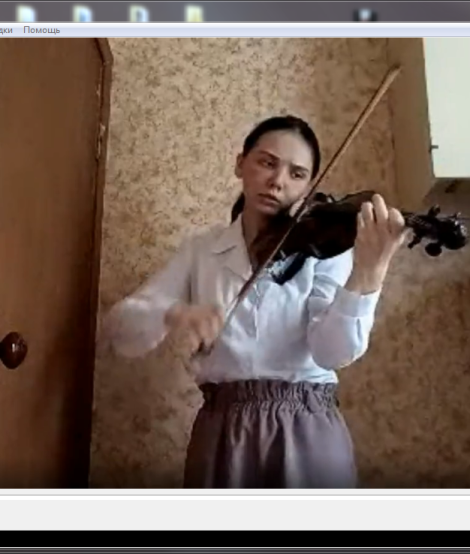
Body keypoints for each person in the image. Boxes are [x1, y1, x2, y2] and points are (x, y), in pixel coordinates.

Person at [101, 115, 406, 488]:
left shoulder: (325, 250)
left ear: (309, 187)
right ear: (240, 163)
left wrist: (367, 276)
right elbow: (120, 328)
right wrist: (173, 313)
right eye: (267, 162)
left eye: (297, 174)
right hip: (222, 430)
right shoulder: (201, 250)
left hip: (307, 430)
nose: (278, 181)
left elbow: (333, 353)